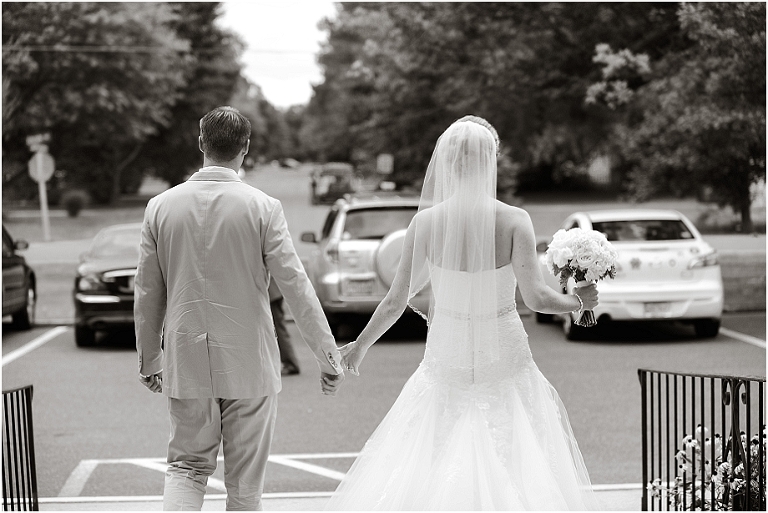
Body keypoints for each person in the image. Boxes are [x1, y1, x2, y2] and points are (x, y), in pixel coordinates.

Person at [326, 116, 600, 510]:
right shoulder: (514, 220)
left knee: (429, 458)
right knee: (520, 461)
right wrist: (580, 302)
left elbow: (395, 301)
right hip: (503, 354)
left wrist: (359, 346)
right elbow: (537, 298)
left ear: (449, 163)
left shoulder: (425, 222)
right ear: (491, 162)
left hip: (447, 353)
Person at [134, 106, 344, 511]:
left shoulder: (159, 207)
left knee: (186, 468)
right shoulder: (264, 207)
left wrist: (149, 358)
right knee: (245, 488)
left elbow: (147, 291)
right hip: (250, 362)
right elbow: (296, 286)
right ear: (245, 148)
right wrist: (328, 356)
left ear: (201, 143)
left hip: (186, 358)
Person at [268, 279, 301, 375]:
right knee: (278, 326)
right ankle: (289, 362)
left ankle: (290, 363)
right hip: (274, 291)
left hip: (271, 292)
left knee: (278, 326)